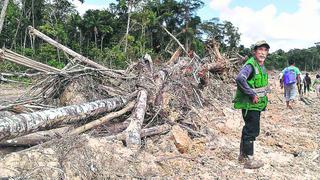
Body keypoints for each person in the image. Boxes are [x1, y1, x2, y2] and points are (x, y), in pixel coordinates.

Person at [233, 40, 270, 169]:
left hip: (257, 105)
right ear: (254, 52)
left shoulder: (261, 66)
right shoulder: (250, 65)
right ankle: (249, 159)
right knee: (251, 130)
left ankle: (242, 155)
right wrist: (252, 94)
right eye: (260, 50)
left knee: (249, 129)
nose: (262, 52)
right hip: (250, 105)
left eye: (265, 50)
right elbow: (239, 78)